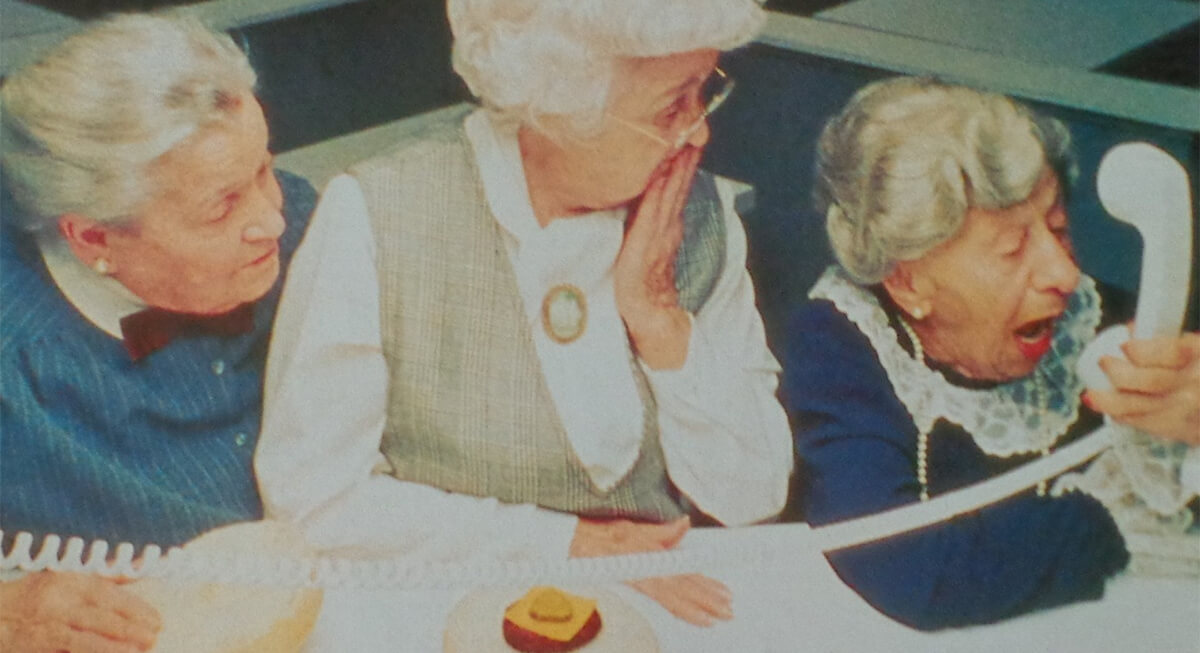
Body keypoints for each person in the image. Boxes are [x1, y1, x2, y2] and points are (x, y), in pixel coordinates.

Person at [256, 0, 792, 626]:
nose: (699, 133)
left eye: (705, 90)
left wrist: (659, 318)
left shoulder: (701, 218)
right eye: (672, 105)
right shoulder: (380, 213)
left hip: (664, 612)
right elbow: (313, 501)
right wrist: (563, 544)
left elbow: (753, 496)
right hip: (444, 610)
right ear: (561, 107)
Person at [782, 77, 1199, 630]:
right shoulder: (838, 349)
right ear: (908, 281)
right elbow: (914, 572)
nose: (1064, 273)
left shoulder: (1107, 322)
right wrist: (1116, 516)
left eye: (1058, 228)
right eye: (1013, 248)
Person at [0, 14, 315, 652]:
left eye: (264, 172)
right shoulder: (17, 361)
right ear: (94, 238)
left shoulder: (304, 224)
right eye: (222, 207)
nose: (273, 221)